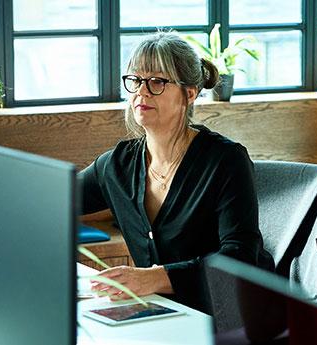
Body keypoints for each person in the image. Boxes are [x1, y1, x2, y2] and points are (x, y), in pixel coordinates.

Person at [79, 31, 273, 312]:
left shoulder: (226, 160)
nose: (141, 92)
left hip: (234, 316)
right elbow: (53, 195)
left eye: (157, 81)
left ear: (190, 93)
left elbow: (240, 259)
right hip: (163, 315)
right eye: (135, 80)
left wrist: (154, 278)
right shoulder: (117, 166)